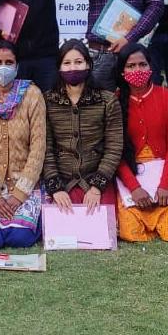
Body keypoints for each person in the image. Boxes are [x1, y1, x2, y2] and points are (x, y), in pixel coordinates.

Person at [0, 40, 47, 248]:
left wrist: (20, 194)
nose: (3, 67)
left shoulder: (32, 94)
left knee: (19, 238)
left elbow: (38, 148)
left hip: (25, 185)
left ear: (17, 66)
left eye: (9, 62)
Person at [114, 43, 168, 243]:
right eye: (131, 66)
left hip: (165, 174)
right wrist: (134, 188)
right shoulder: (114, 102)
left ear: (151, 67)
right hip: (130, 176)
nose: (137, 70)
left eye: (142, 64)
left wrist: (166, 185)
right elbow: (115, 152)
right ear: (122, 71)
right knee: (132, 233)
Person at [43, 40, 124, 211]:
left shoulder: (107, 101)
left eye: (78, 62)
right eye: (67, 63)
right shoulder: (47, 101)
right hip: (61, 181)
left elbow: (114, 147)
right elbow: (45, 147)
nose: (73, 68)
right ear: (59, 68)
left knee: (103, 222)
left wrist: (96, 187)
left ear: (88, 64)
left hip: (98, 180)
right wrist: (55, 187)